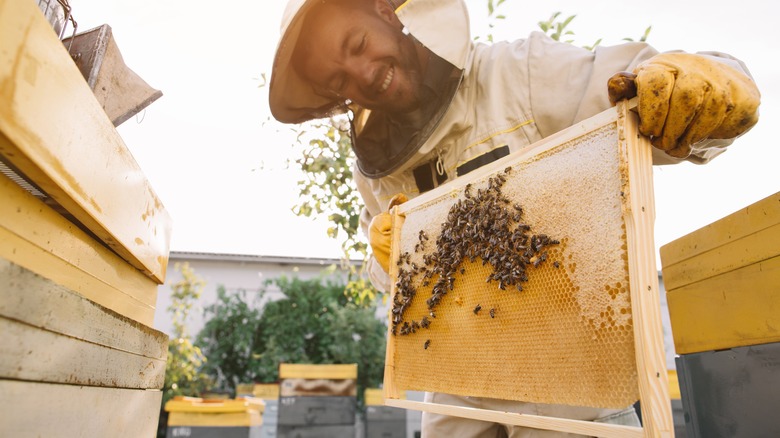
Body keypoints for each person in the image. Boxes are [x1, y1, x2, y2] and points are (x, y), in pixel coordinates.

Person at [269, 0, 761, 436]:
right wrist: (387, 261)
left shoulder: (518, 72)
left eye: (357, 44)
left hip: (573, 387)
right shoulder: (375, 169)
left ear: (384, 11)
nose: (361, 74)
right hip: (454, 392)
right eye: (338, 81)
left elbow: (646, 90)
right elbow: (389, 280)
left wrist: (710, 79)